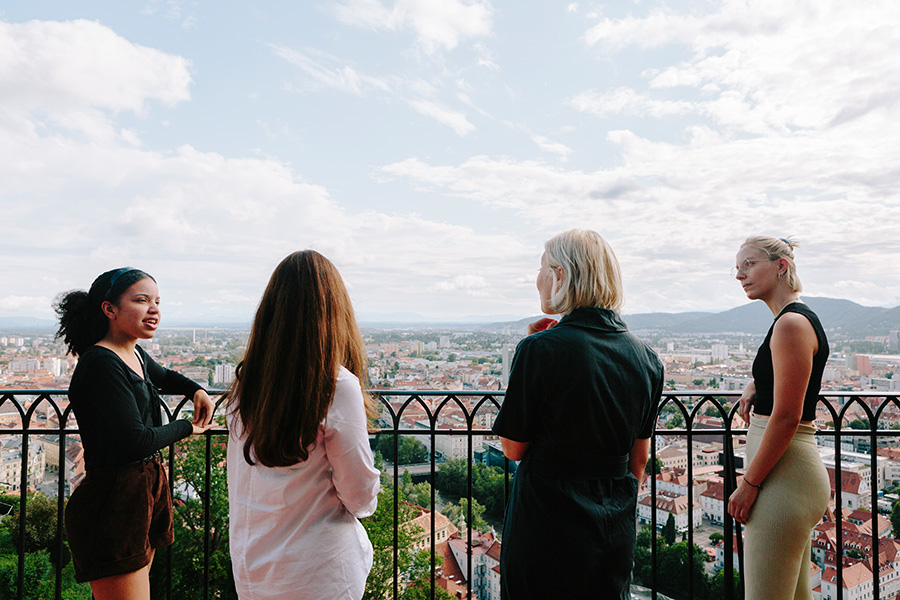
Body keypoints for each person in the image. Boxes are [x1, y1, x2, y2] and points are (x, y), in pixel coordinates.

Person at [492, 229, 664, 600]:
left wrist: (531, 350)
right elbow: (639, 458)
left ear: (561, 275)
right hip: (614, 525)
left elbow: (513, 448)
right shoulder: (647, 358)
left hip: (547, 523)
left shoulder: (540, 350)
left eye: (541, 268)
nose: (536, 278)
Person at [224, 250, 380, 600]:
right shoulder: (335, 386)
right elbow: (359, 495)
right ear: (334, 313)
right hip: (319, 569)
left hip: (253, 567)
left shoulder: (247, 384)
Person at [55, 267, 215, 599]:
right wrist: (189, 427)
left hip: (142, 490)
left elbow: (165, 375)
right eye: (141, 300)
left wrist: (197, 390)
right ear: (109, 309)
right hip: (114, 501)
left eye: (157, 301)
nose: (154, 309)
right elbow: (135, 441)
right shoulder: (101, 363)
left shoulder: (133, 353)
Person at [727, 236, 831, 600]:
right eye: (737, 268)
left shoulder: (790, 325)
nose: (740, 275)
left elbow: (787, 416)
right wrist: (757, 382)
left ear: (781, 266)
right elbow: (790, 375)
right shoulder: (794, 320)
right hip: (789, 477)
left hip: (781, 481)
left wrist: (749, 484)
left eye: (749, 264)